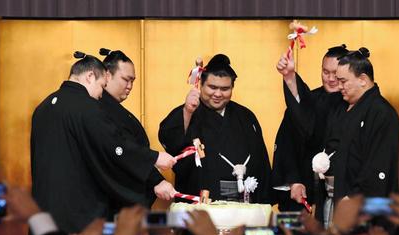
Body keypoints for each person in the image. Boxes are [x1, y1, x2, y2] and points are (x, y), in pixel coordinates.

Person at [31, 52, 176, 233]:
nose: (101, 95)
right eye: (102, 86)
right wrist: (153, 158)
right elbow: (113, 148)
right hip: (75, 212)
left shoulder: (42, 108)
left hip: (42, 209)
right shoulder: (87, 107)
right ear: (90, 76)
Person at [159, 54, 271, 203]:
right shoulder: (189, 112)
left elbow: (260, 160)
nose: (218, 94)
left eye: (225, 89)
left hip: (242, 202)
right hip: (201, 201)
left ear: (232, 88)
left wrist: (263, 200)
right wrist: (187, 111)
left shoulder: (245, 116)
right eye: (212, 87)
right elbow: (172, 142)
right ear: (201, 85)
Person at [317, 47, 399, 224]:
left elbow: (378, 166)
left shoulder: (381, 112)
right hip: (341, 198)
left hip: (365, 208)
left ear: (363, 79)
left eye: (343, 81)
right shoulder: (349, 108)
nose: (339, 86)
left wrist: (353, 199)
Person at [271, 45, 349, 216]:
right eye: (325, 72)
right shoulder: (311, 100)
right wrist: (293, 181)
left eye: (335, 74)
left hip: (345, 195)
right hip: (305, 189)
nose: (330, 79)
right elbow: (288, 144)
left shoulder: (356, 105)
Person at [99, 48, 175, 206]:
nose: (130, 86)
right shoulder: (100, 109)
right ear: (107, 75)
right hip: (116, 199)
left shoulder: (111, 108)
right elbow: (124, 150)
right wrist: (156, 179)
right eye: (126, 79)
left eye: (133, 81)